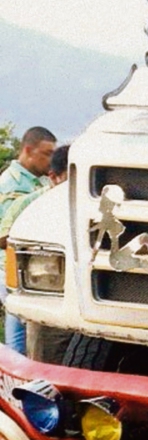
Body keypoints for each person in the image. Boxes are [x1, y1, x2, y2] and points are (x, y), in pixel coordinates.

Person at [0, 128, 58, 355]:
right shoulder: (10, 185)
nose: (51, 160)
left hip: (27, 271)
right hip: (10, 268)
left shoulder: (34, 181)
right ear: (28, 151)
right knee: (21, 334)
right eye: (46, 153)